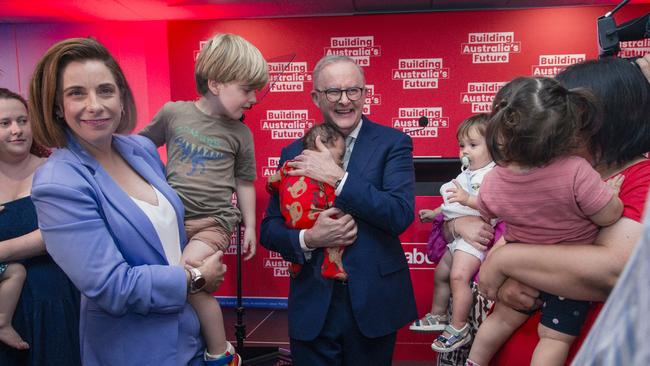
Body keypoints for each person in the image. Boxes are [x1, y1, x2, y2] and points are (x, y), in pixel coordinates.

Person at [438, 57, 650, 366]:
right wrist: (506, 280)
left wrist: (503, 261)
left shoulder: (638, 176)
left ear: (605, 118)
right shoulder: (554, 169)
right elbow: (514, 235)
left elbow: (613, 270)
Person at [28, 37, 227, 366]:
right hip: (135, 349)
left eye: (105, 90)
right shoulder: (58, 183)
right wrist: (194, 280)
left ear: (121, 97)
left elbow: (165, 237)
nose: (95, 105)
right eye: (77, 93)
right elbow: (111, 286)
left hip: (188, 334)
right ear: (57, 108)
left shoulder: (140, 150)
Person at [260, 54, 417, 365]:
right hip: (313, 304)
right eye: (333, 92)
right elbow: (270, 227)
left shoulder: (393, 143)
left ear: (365, 94)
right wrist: (308, 238)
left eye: (353, 91)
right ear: (316, 97)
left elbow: (399, 214)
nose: (344, 100)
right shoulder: (293, 152)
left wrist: (337, 178)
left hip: (372, 302)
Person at [139, 32, 267, 364]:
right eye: (246, 89)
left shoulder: (240, 133)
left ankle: (221, 353)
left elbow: (244, 183)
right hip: (172, 222)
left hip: (215, 223)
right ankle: (184, 346)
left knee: (188, 275)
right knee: (181, 287)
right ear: (215, 83)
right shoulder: (173, 114)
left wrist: (250, 227)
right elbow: (138, 147)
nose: (254, 99)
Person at [0, 87, 80, 366]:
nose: (17, 130)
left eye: (23, 120)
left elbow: (60, 232)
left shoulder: (56, 168)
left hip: (55, 305)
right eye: (5, 123)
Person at [408, 114, 497, 354]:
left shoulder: (493, 175)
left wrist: (468, 199)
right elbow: (453, 203)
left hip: (475, 238)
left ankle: (458, 326)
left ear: (495, 146)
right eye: (462, 145)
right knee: (442, 273)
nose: (465, 151)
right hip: (457, 238)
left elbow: (493, 206)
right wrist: (435, 212)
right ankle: (438, 315)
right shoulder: (465, 174)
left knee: (458, 277)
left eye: (473, 145)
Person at [266, 123, 346, 279]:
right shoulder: (293, 157)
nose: (341, 162)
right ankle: (332, 267)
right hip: (317, 220)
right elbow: (336, 198)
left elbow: (273, 181)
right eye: (339, 156)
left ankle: (295, 265)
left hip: (293, 221)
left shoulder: (291, 165)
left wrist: (271, 186)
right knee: (336, 238)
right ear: (320, 147)